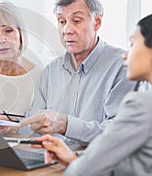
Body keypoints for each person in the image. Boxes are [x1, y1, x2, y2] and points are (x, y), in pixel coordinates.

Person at [33, 14, 152, 176]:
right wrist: (75, 158)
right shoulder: (51, 69)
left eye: (132, 44)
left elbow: (82, 172)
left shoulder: (143, 105)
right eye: (62, 21)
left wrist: (79, 163)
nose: (125, 54)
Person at [19, 0, 136, 144]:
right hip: (47, 160)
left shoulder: (124, 66)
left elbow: (119, 133)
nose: (67, 30)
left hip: (94, 162)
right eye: (62, 21)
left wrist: (66, 125)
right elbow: (36, 126)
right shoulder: (51, 70)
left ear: (97, 22)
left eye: (76, 21)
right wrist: (6, 125)